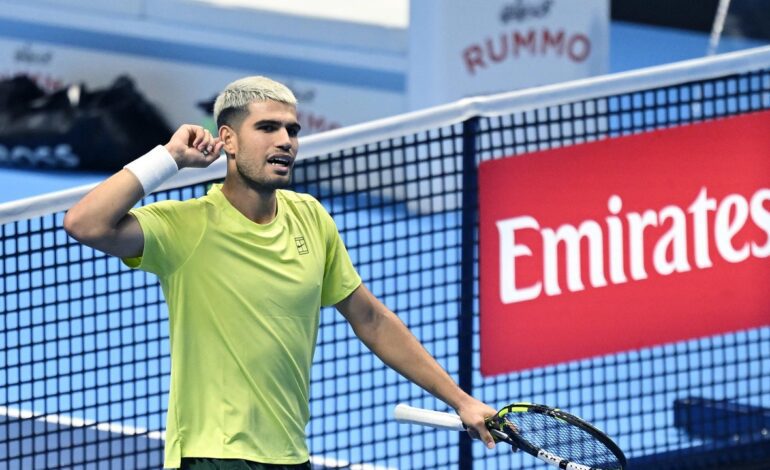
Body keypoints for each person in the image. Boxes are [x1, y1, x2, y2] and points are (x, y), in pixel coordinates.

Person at [63, 76, 497, 469]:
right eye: (268, 128)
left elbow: (371, 319)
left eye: (293, 129)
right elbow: (84, 223)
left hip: (289, 454)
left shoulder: (310, 216)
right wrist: (169, 158)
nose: (286, 140)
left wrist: (461, 401)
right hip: (214, 454)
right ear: (228, 140)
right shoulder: (186, 226)